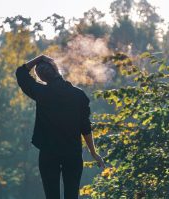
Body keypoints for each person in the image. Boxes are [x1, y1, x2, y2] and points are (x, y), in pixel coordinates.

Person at [15, 54, 105, 199]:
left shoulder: (41, 93)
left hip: (48, 154)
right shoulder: (78, 95)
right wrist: (93, 153)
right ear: (56, 70)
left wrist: (39, 58)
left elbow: (21, 73)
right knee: (71, 195)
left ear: (41, 78)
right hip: (72, 154)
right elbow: (85, 127)